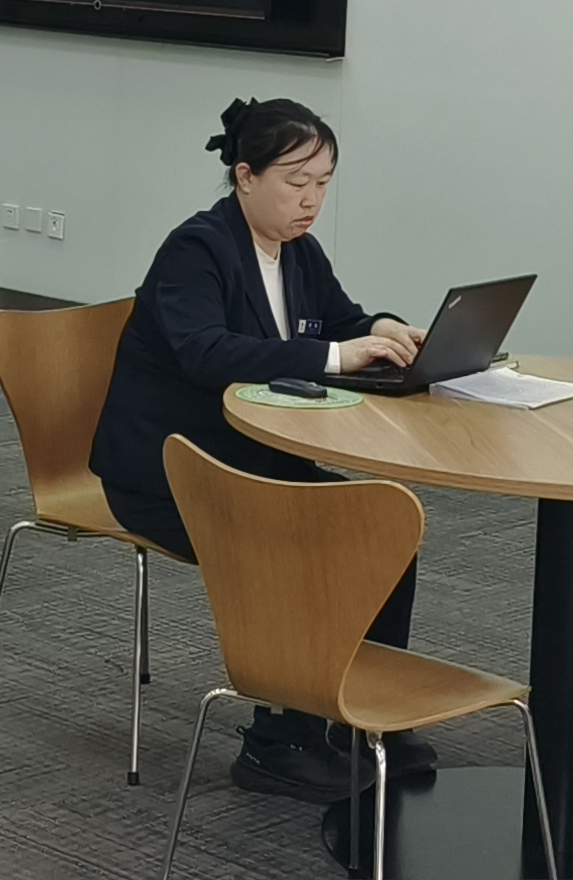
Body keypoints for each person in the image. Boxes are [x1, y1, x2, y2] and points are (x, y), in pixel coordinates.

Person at [89, 98, 433, 803]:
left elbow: (339, 321)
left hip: (253, 460)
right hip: (172, 472)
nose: (311, 201)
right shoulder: (196, 250)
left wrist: (381, 328)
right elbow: (206, 353)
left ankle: (361, 714)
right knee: (311, 539)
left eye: (324, 184)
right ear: (245, 177)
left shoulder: (298, 251)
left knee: (385, 524)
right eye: (296, 182)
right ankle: (279, 741)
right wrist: (338, 354)